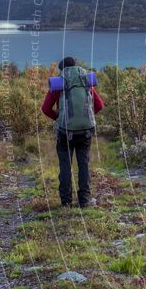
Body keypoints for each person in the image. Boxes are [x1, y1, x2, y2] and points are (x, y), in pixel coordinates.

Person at [41, 57, 105, 208]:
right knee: (84, 165)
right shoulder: (85, 82)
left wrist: (59, 118)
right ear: (76, 67)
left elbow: (45, 109)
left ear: (62, 70)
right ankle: (84, 200)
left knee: (65, 165)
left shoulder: (59, 84)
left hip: (65, 132)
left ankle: (66, 202)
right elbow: (100, 105)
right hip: (85, 132)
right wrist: (86, 117)